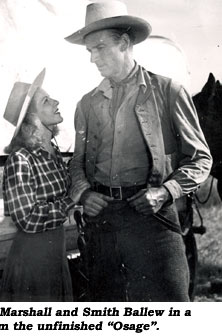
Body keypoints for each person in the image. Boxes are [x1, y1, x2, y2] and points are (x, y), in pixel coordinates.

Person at [65, 0, 212, 301]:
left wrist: (164, 192)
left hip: (153, 220)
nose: (93, 58)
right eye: (89, 50)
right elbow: (77, 162)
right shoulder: (87, 104)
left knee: (170, 308)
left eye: (100, 48)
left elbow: (201, 158)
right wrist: (83, 194)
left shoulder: (168, 92)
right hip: (103, 223)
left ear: (125, 42)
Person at [1, 69, 86, 301]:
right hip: (33, 261)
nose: (56, 102)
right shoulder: (21, 158)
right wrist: (71, 200)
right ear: (31, 119)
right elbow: (27, 218)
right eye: (46, 101)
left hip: (55, 256)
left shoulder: (53, 153)